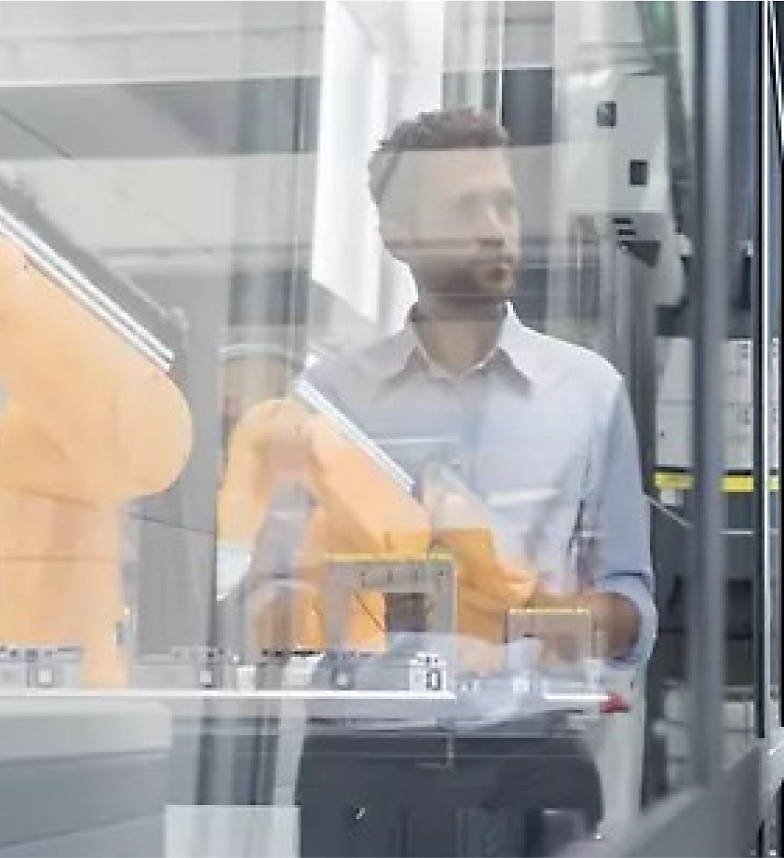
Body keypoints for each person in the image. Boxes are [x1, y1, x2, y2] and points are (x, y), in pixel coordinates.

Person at [240, 107, 658, 857]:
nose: (497, 226)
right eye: (467, 207)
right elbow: (271, 607)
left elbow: (632, 613)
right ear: (398, 234)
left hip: (530, 762)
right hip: (364, 770)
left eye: (505, 202)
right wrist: (360, 593)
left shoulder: (589, 394)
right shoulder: (330, 401)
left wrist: (521, 617)